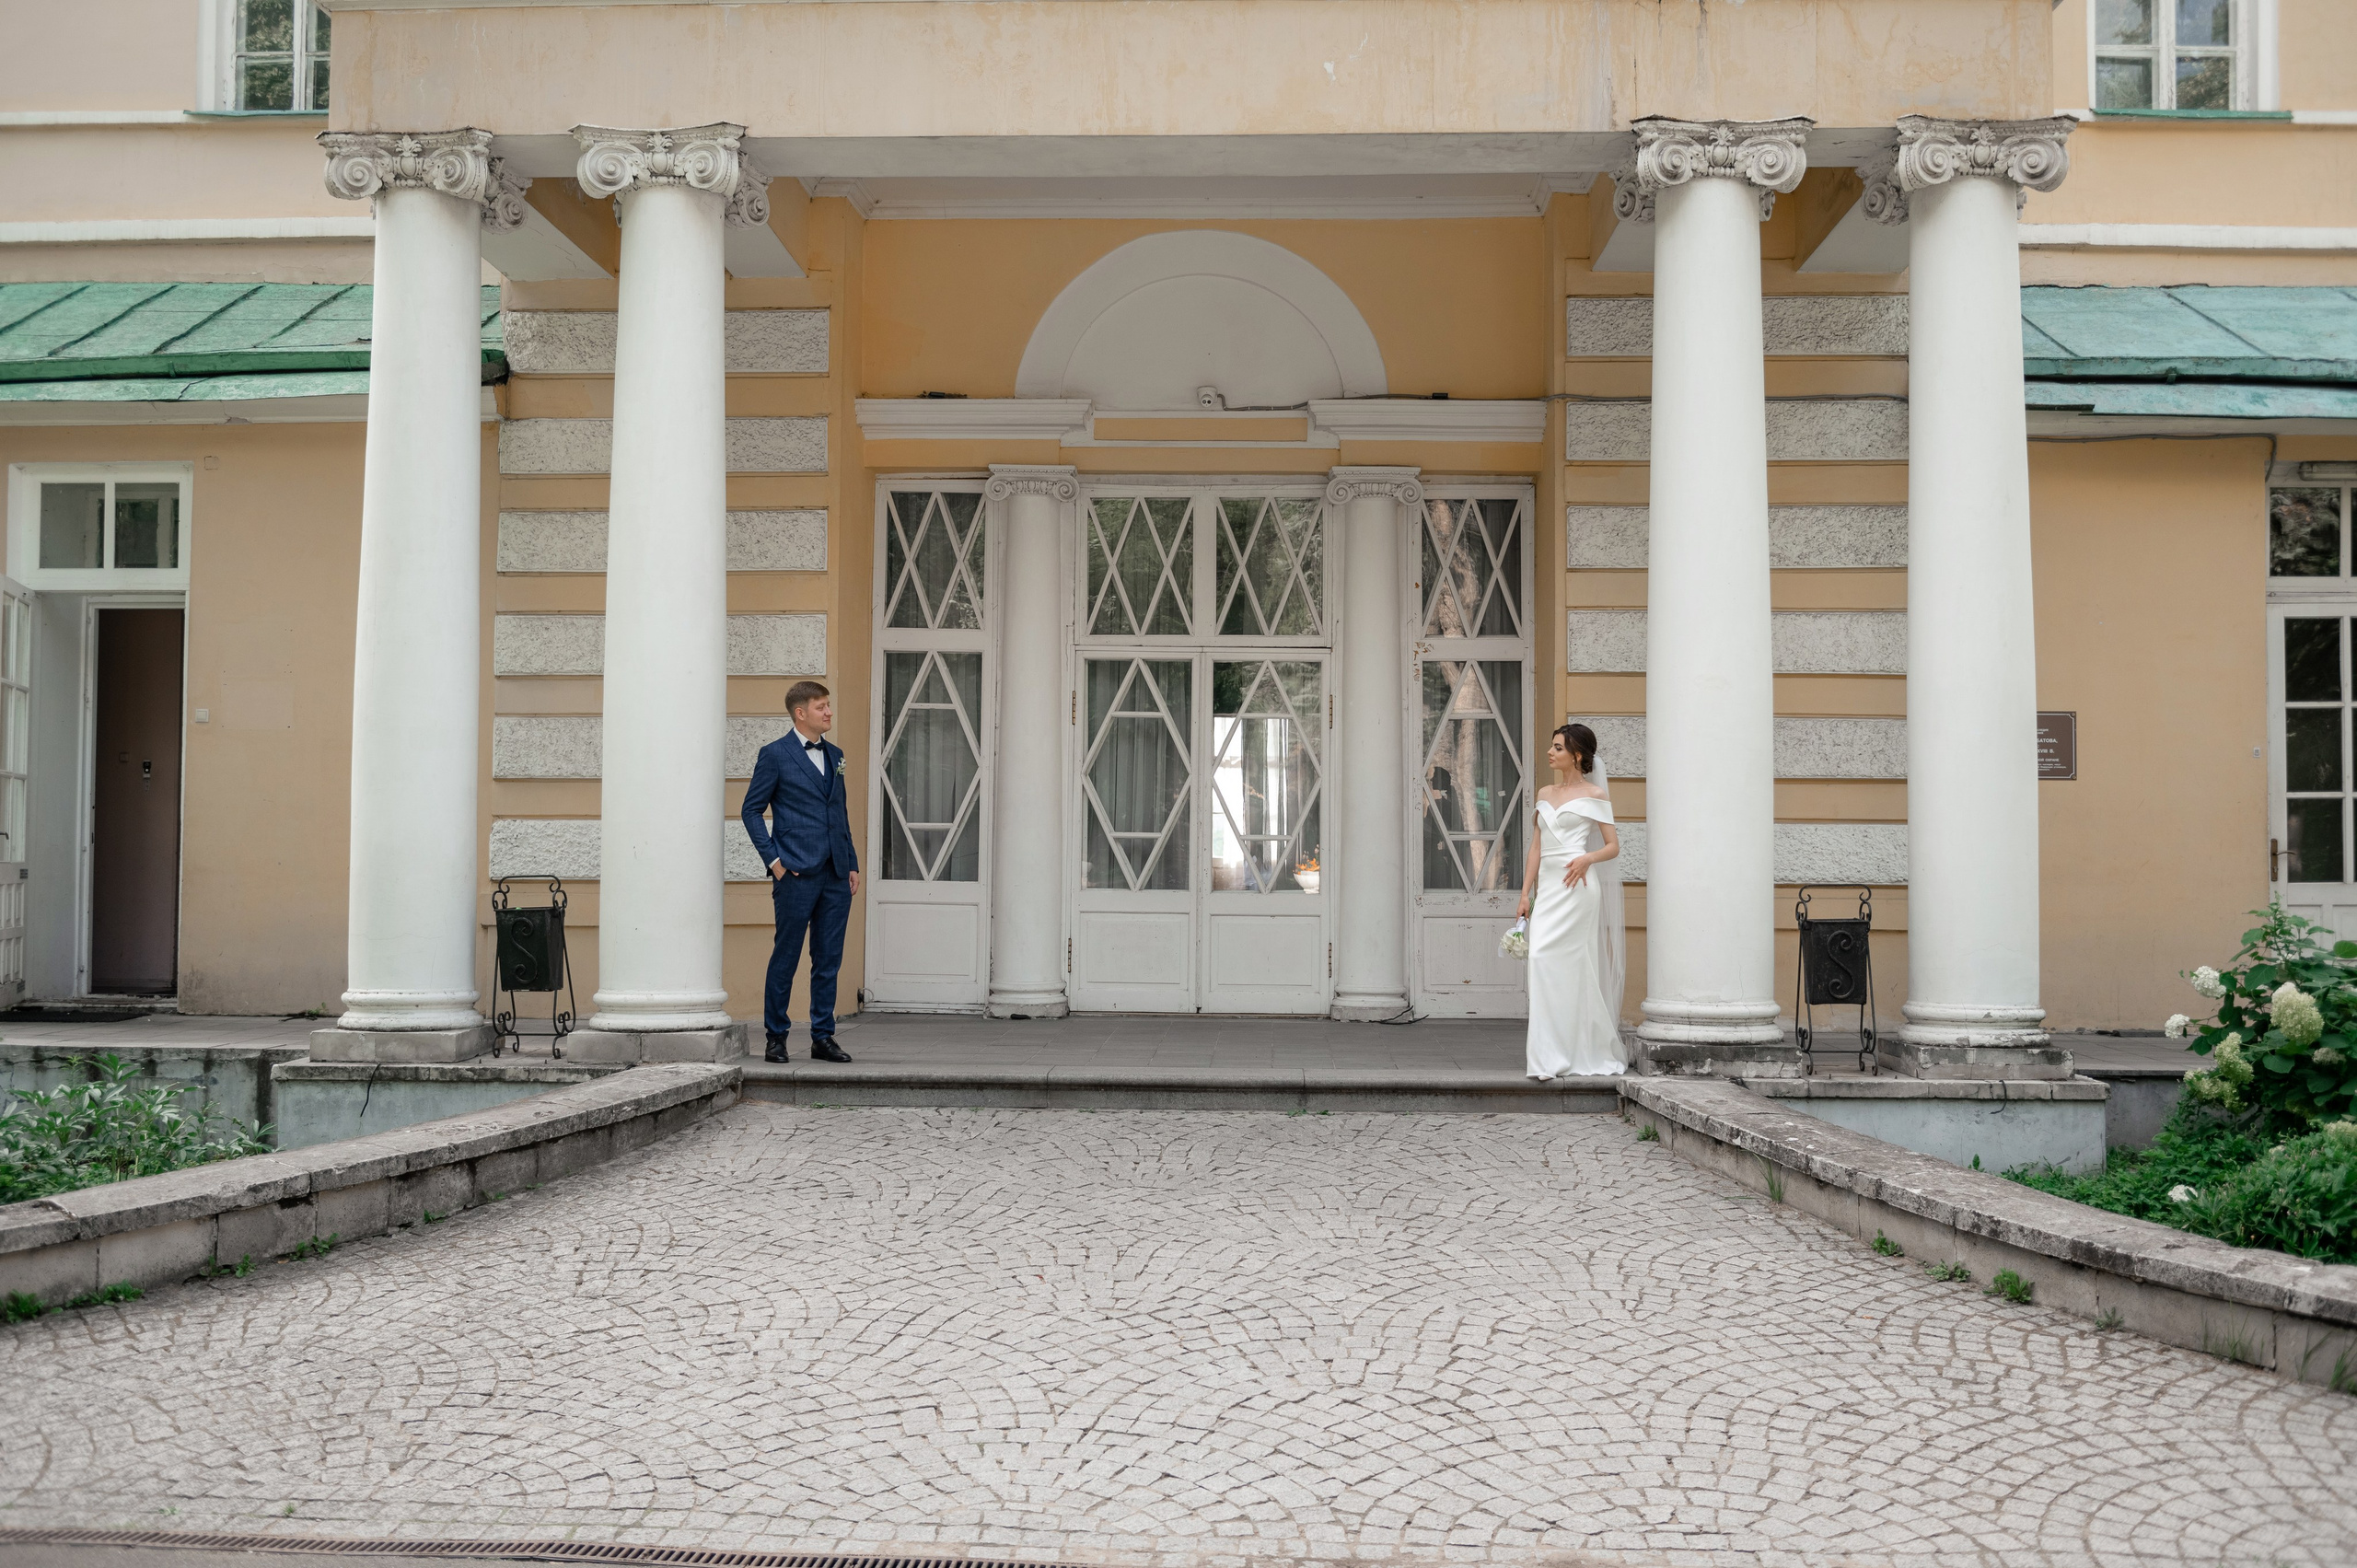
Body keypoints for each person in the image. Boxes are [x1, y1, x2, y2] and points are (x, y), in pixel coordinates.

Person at [741, 680, 861, 1063]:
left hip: (836, 874)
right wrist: (774, 862)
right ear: (801, 713)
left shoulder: (837, 754)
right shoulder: (775, 755)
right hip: (793, 872)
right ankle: (776, 1038)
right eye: (822, 706)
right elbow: (751, 810)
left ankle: (822, 1037)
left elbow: (838, 813)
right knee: (786, 958)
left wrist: (852, 862)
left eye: (828, 705)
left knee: (828, 960)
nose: (829, 712)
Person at [1518, 721, 1628, 1080]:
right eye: (1552, 747)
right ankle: (1549, 1054)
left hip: (1577, 888)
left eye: (1558, 748)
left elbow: (1612, 846)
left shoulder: (1595, 796)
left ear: (1577, 755)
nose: (1550, 752)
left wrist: (1586, 858)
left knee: (1573, 968)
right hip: (1549, 889)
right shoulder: (1545, 792)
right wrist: (1525, 895)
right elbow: (1536, 847)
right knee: (1540, 960)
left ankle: (1579, 1051)